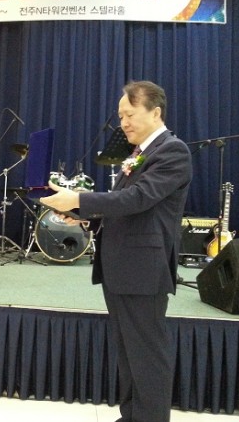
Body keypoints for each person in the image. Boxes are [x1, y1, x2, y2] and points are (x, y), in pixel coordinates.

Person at [41, 81, 192, 422]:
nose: (123, 122)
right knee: (129, 353)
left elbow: (137, 199)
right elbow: (123, 209)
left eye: (129, 115)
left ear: (155, 112)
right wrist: (82, 215)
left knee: (148, 355)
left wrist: (79, 199)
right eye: (121, 116)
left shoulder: (173, 151)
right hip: (123, 266)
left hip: (143, 269)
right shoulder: (140, 152)